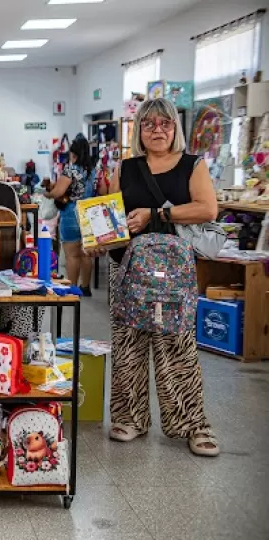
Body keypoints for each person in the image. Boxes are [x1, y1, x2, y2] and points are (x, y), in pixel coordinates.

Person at [89, 98, 219, 457]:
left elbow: (207, 208)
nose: (157, 130)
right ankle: (129, 417)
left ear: (175, 128)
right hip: (127, 266)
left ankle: (193, 424)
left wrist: (155, 214)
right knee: (128, 342)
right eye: (149, 125)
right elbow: (111, 215)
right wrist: (97, 240)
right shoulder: (126, 168)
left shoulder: (193, 165)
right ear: (139, 131)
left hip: (172, 271)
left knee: (177, 343)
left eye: (164, 124)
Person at [44, 137, 93, 296]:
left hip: (72, 213)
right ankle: (85, 287)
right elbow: (104, 190)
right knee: (86, 252)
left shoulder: (71, 170)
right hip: (90, 213)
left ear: (73, 153)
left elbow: (58, 192)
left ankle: (73, 288)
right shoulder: (94, 171)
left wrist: (48, 194)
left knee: (72, 255)